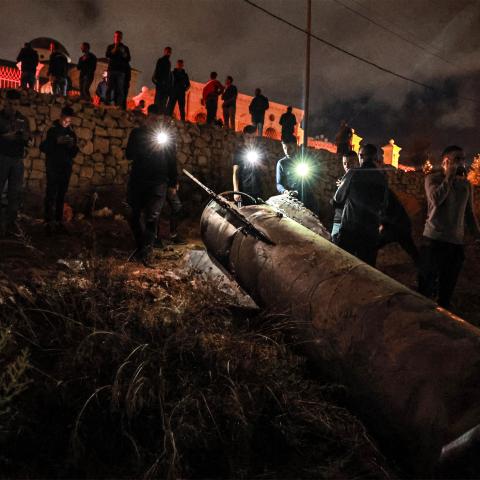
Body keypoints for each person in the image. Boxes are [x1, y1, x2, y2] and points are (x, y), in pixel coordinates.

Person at [418, 145, 480, 309]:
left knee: (447, 290)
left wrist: (477, 235)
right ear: (446, 161)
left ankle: (441, 323)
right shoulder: (432, 179)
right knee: (426, 288)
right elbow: (436, 200)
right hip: (434, 241)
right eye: (457, 159)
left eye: (463, 159)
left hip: (455, 243)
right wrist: (449, 177)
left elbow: (469, 214)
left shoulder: (466, 185)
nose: (462, 163)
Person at [125, 104, 178, 265]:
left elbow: (171, 160)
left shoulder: (165, 137)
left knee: (152, 217)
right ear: (148, 117)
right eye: (154, 119)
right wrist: (145, 147)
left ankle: (145, 252)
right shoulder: (137, 133)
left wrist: (173, 183)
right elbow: (129, 155)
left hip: (158, 182)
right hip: (138, 180)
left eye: (159, 120)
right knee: (133, 214)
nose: (156, 122)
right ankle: (142, 246)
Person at [332, 144, 388, 267]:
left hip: (350, 230)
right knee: (367, 270)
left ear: (360, 156)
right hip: (370, 233)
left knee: (343, 267)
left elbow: (337, 198)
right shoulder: (382, 178)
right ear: (375, 157)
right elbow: (384, 205)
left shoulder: (353, 173)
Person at [40, 106, 79, 235]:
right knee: (51, 193)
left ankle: (58, 221)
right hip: (53, 166)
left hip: (66, 167)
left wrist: (72, 146)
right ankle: (48, 222)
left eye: (69, 122)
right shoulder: (52, 130)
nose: (66, 123)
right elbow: (43, 147)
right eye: (65, 121)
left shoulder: (71, 132)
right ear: (61, 116)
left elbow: (73, 153)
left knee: (61, 194)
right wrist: (56, 141)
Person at [0, 89, 31, 237]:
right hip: (2, 158)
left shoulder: (23, 120)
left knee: (15, 193)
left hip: (17, 160)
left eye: (16, 104)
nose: (13, 106)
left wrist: (26, 139)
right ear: (5, 102)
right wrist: (6, 137)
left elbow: (29, 139)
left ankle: (10, 225)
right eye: (10, 103)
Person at [378, 189, 419, 265]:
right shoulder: (385, 191)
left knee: (373, 245)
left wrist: (381, 224)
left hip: (396, 226)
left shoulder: (382, 192)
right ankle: (425, 269)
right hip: (400, 225)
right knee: (412, 250)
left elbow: (386, 211)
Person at [276, 140, 317, 213]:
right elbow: (279, 184)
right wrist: (284, 191)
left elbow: (311, 182)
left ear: (296, 146)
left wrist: (297, 192)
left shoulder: (304, 160)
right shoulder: (281, 163)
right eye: (285, 148)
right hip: (291, 197)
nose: (287, 151)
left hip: (307, 199)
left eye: (290, 148)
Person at [330, 150, 359, 242]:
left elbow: (337, 200)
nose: (346, 166)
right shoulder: (342, 179)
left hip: (349, 223)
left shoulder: (360, 179)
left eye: (350, 163)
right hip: (339, 220)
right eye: (344, 163)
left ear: (357, 162)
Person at [232, 125, 262, 205]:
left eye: (253, 137)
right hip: (244, 192)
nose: (251, 140)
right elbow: (235, 173)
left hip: (257, 191)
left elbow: (263, 168)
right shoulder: (239, 152)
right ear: (244, 137)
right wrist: (236, 191)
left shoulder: (259, 151)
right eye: (249, 137)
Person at [105, 31, 131, 107]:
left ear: (121, 38)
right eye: (116, 36)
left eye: (119, 36)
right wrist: (115, 48)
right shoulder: (110, 46)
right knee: (109, 87)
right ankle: (107, 103)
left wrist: (123, 53)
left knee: (120, 89)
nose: (117, 38)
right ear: (114, 37)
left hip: (121, 71)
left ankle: (119, 106)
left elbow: (128, 59)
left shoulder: (125, 48)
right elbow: (107, 55)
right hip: (111, 70)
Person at [152, 46, 173, 114]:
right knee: (158, 101)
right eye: (168, 51)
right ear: (165, 52)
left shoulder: (168, 62)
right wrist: (159, 81)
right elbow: (158, 71)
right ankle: (155, 115)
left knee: (162, 102)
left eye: (170, 52)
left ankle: (159, 116)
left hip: (165, 86)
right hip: (161, 84)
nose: (169, 53)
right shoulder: (161, 60)